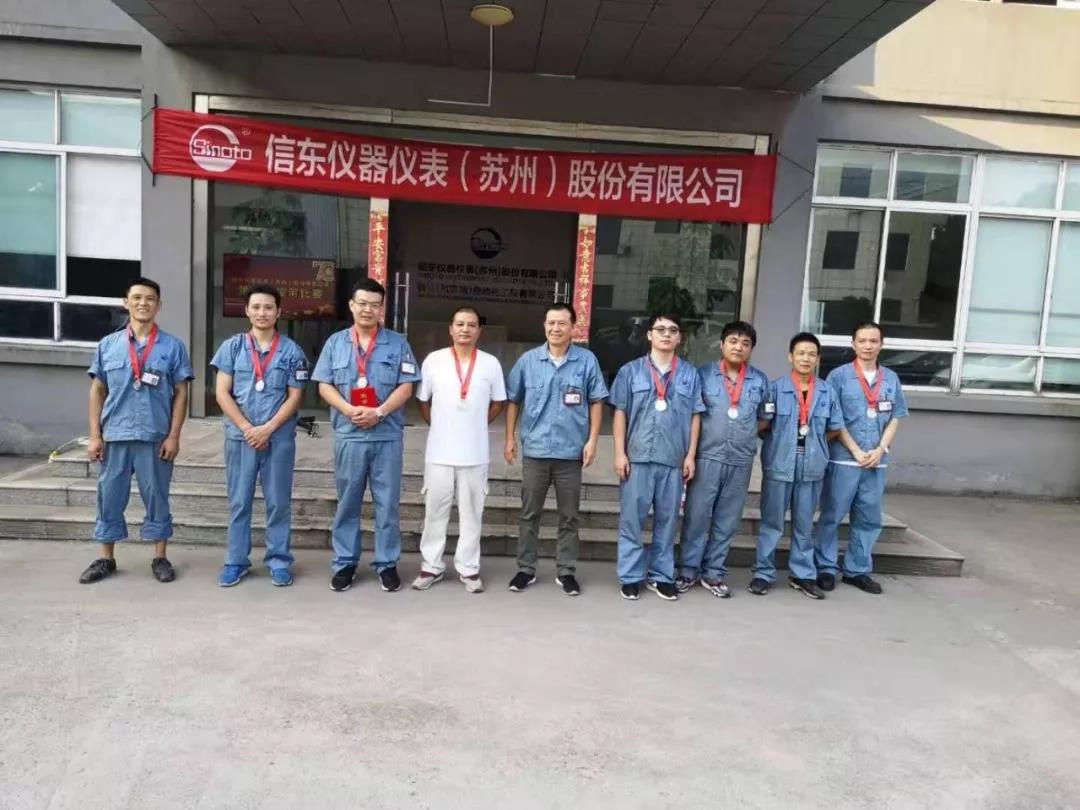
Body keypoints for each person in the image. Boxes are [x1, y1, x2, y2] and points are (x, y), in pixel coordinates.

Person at [78, 277, 193, 585]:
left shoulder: (172, 347)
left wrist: (174, 435)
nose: (143, 303)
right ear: (125, 302)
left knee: (157, 497)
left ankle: (160, 556)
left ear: (159, 305)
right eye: (137, 298)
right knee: (109, 496)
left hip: (155, 436)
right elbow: (97, 390)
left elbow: (181, 392)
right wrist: (95, 435)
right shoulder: (108, 345)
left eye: (150, 299)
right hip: (115, 435)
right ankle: (106, 558)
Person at [311, 278, 420, 593]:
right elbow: (324, 385)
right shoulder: (335, 344)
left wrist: (380, 412)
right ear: (351, 305)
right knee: (348, 502)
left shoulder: (398, 344)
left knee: (387, 504)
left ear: (382, 308)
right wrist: (349, 410)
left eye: (374, 304)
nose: (368, 309)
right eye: (362, 303)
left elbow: (406, 385)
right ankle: (345, 563)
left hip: (386, 437)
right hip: (350, 436)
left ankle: (387, 564)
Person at [504, 303, 608, 596]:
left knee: (569, 517)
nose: (555, 328)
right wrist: (510, 438)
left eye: (562, 323)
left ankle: (566, 571)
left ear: (573, 327)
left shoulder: (586, 361)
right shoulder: (528, 361)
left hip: (570, 453)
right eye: (551, 323)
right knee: (529, 515)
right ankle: (525, 569)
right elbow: (513, 400)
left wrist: (593, 440)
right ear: (544, 325)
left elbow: (596, 401)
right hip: (535, 452)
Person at [210, 284, 308, 588]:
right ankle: (236, 561)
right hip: (241, 438)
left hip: (278, 438)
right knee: (239, 501)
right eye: (256, 307)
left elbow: (295, 397)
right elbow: (222, 393)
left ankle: (279, 560)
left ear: (278, 312)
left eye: (268, 307)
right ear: (247, 311)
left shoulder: (292, 351)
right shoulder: (232, 348)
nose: (262, 312)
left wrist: (267, 428)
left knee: (278, 502)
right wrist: (247, 428)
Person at [610, 314, 705, 601]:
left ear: (679, 338)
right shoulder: (630, 371)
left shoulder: (690, 374)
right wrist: (619, 453)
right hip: (637, 458)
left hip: (673, 460)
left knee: (668, 521)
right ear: (649, 334)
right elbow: (620, 412)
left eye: (673, 330)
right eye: (660, 329)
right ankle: (630, 576)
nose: (666, 334)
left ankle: (662, 575)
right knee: (632, 520)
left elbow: (695, 415)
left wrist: (690, 455)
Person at [412, 306, 507, 594]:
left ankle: (469, 567)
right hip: (439, 453)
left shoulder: (490, 364)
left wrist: (476, 423)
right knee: (435, 512)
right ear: (451, 329)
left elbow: (499, 402)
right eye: (460, 324)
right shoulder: (434, 361)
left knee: (472, 513)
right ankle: (431, 566)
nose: (465, 329)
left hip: (475, 454)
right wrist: (439, 425)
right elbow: (423, 401)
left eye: (471, 325)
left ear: (479, 331)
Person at [813, 321, 909, 595]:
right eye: (862, 340)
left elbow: (895, 417)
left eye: (873, 341)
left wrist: (880, 449)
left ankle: (857, 570)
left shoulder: (891, 378)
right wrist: (855, 450)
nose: (868, 346)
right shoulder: (839, 377)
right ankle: (825, 567)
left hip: (875, 461)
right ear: (853, 344)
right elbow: (834, 419)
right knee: (832, 515)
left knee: (868, 518)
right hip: (844, 459)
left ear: (881, 344)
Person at [676, 320, 769, 598]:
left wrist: (743, 434)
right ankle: (688, 570)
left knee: (727, 519)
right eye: (733, 341)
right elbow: (691, 415)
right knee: (696, 516)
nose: (738, 347)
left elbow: (764, 418)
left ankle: (714, 572)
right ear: (722, 344)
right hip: (707, 456)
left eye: (745, 343)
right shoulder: (702, 375)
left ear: (751, 349)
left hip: (740, 460)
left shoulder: (759, 381)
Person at [748, 333, 843, 598]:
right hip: (780, 464)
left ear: (818, 359)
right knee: (772, 523)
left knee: (804, 524)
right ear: (791, 356)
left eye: (811, 354)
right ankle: (763, 573)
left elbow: (835, 428)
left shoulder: (827, 392)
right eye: (800, 353)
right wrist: (783, 442)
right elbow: (763, 425)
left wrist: (814, 445)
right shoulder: (775, 389)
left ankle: (802, 574)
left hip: (811, 467)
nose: (805, 358)